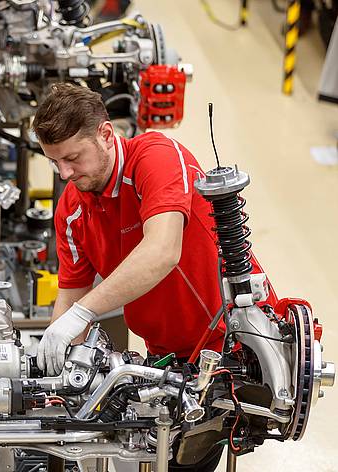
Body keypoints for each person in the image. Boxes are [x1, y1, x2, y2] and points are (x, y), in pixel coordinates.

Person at [32, 83, 276, 470]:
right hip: (162, 358)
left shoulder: (156, 157)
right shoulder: (72, 208)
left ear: (106, 135)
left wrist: (81, 314)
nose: (65, 172)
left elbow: (161, 251)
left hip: (226, 346)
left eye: (73, 158)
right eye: (54, 162)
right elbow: (71, 291)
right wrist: (58, 366)